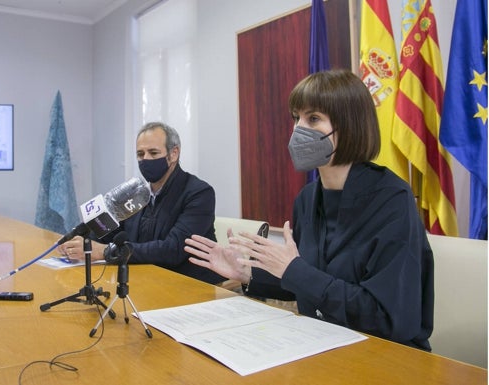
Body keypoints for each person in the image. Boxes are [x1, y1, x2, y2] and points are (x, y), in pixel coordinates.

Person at [185, 69, 434, 351]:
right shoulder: (307, 198)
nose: (297, 129)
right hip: (321, 343)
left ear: (349, 125)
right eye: (296, 118)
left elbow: (388, 317)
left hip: (385, 355)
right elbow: (303, 281)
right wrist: (245, 273)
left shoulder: (393, 200)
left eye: (313, 118)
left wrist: (295, 270)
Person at [58, 121, 224, 285]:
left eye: (153, 153)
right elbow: (108, 233)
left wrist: (106, 252)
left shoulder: (199, 193)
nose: (145, 160)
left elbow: (173, 250)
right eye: (140, 154)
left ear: (173, 154)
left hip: (189, 285)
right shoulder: (134, 193)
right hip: (144, 278)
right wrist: (80, 242)